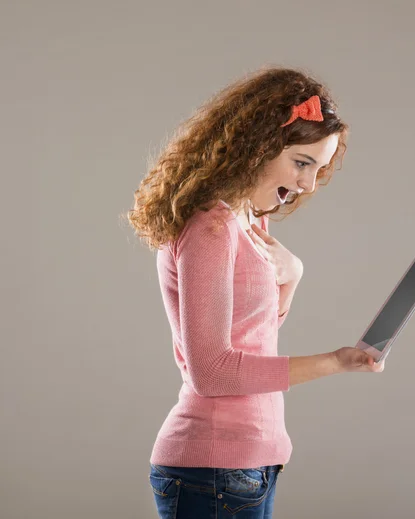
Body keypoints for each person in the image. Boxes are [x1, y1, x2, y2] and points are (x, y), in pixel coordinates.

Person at [127, 66, 384, 519]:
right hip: (214, 470)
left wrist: (294, 273)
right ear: (258, 145)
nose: (307, 184)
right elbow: (214, 373)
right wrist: (335, 362)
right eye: (302, 163)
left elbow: (251, 336)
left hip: (249, 462)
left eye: (317, 169)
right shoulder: (211, 226)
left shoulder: (250, 219)